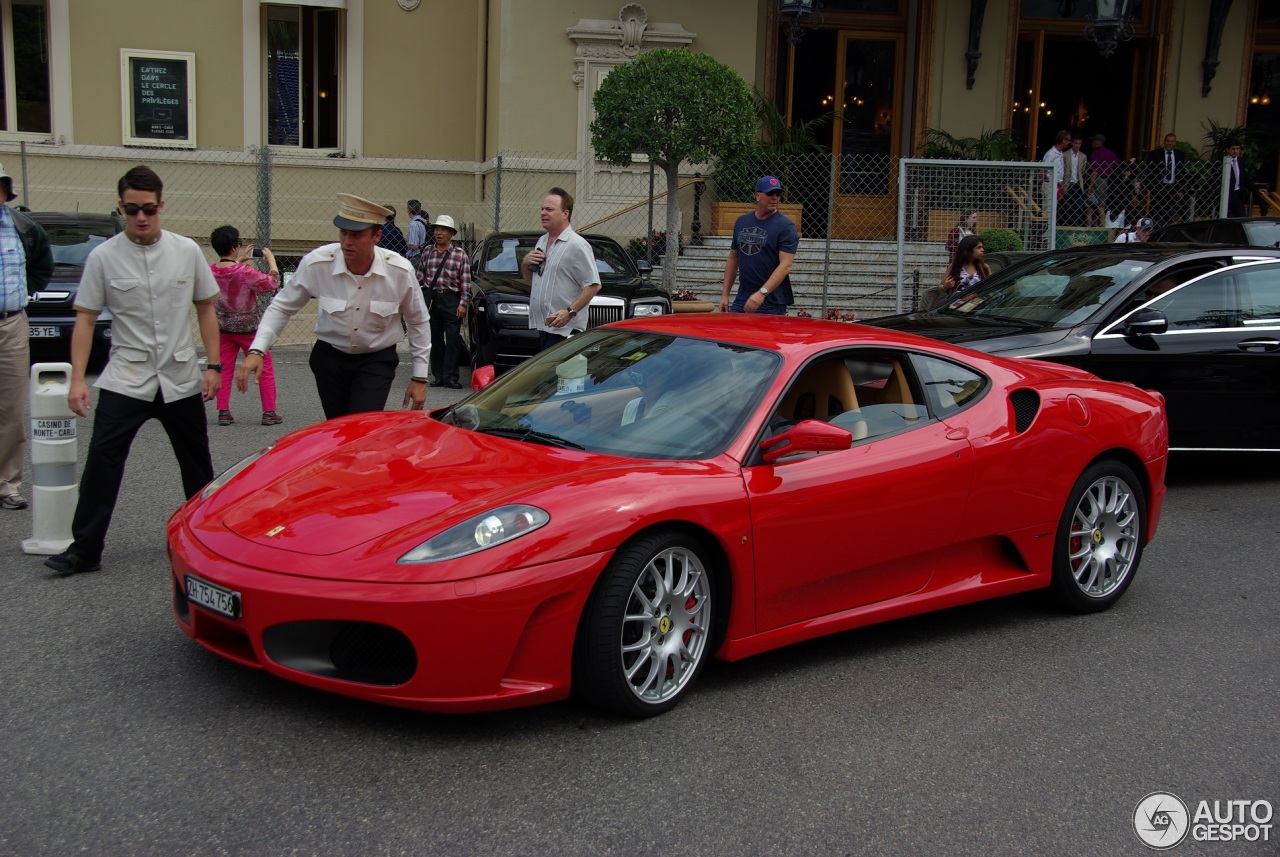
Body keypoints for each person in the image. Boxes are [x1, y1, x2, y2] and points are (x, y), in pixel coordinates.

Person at [44, 165, 221, 576]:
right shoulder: (103, 257)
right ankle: (84, 549)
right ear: (121, 208)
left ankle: (208, 546)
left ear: (161, 206)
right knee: (103, 461)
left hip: (178, 378)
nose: (141, 217)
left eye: (149, 208)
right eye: (131, 209)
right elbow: (85, 319)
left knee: (197, 464)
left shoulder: (186, 250)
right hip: (127, 376)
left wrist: (213, 366)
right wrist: (76, 380)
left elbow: (205, 309)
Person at [236, 194, 431, 419]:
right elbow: (282, 307)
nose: (347, 241)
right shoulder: (318, 263)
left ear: (377, 236)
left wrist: (419, 378)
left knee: (360, 428)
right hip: (330, 359)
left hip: (375, 360)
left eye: (357, 235)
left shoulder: (399, 271)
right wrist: (257, 350)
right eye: (343, 232)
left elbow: (418, 321)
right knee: (336, 429)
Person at [0, 162, 54, 512]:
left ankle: (6, 484)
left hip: (10, 325)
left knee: (10, 408)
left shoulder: (24, 228)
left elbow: (41, 265)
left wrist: (26, 292)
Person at [208, 225, 282, 427]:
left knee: (223, 368)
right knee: (264, 367)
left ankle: (223, 411)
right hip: (248, 330)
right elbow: (271, 283)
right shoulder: (246, 272)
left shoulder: (210, 271)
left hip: (222, 329)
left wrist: (238, 261)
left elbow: (227, 277)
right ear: (235, 246)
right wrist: (272, 261)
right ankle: (269, 412)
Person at [521, 187, 601, 351]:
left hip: (565, 330)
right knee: (547, 375)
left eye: (549, 209)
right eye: (542, 209)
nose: (543, 213)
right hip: (544, 325)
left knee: (563, 376)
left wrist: (569, 312)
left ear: (565, 213)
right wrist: (525, 263)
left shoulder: (577, 245)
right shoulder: (542, 241)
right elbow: (529, 278)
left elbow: (593, 285)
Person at [718, 175, 798, 315]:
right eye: (770, 193)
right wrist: (725, 295)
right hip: (743, 297)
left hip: (771, 302)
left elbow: (785, 265)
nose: (775, 197)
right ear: (757, 195)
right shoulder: (742, 222)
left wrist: (762, 293)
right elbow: (733, 258)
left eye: (778, 194)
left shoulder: (785, 227)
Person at [419, 214, 471, 389]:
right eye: (436, 229)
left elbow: (465, 281)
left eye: (443, 230)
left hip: (452, 299)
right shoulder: (427, 252)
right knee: (435, 339)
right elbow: (421, 276)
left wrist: (463, 303)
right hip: (433, 298)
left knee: (453, 339)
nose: (438, 233)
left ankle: (451, 377)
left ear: (451, 233)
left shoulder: (459, 254)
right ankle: (439, 375)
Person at [1147, 133, 1185, 227]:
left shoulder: (1180, 155)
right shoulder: (1155, 154)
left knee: (1169, 212)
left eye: (1172, 142)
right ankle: (1151, 230)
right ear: (1164, 142)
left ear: (1175, 143)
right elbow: (1149, 171)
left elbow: (1181, 172)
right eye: (1168, 141)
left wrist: (1181, 189)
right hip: (1158, 187)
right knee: (1155, 211)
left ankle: (1167, 230)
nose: (1169, 143)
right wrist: (1150, 186)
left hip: (1172, 187)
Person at [1088, 133, 1122, 226]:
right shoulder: (1111, 153)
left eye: (1093, 141)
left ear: (1097, 142)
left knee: (1091, 208)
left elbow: (1095, 171)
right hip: (1106, 181)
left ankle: (1088, 229)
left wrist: (1090, 186)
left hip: (1097, 181)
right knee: (1101, 206)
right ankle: (1102, 230)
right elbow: (1119, 165)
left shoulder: (1096, 153)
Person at [1061, 134, 1089, 226]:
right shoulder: (1065, 155)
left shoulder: (1083, 156)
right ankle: (1066, 226)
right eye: (1076, 143)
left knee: (1080, 207)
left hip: (1078, 184)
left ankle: (1078, 226)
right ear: (1072, 143)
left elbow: (1083, 170)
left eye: (1079, 143)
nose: (1077, 145)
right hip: (1068, 183)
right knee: (1067, 206)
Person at [1041, 130, 1070, 217]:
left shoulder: (1060, 153)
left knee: (1053, 210)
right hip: (1049, 185)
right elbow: (1042, 170)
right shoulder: (1051, 154)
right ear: (1063, 140)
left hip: (1057, 185)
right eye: (1068, 140)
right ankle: (1045, 230)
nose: (1069, 142)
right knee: (1048, 210)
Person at [1225, 141, 1257, 218]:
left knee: (1241, 216)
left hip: (1237, 193)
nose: (1235, 151)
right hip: (1226, 193)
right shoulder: (1222, 162)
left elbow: (1244, 178)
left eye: (1237, 149)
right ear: (1228, 150)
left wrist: (1256, 189)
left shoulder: (1240, 161)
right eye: (1233, 149)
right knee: (1223, 216)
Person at [405, 199, 429, 275]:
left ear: (409, 210)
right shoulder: (422, 221)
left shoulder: (414, 224)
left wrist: (405, 243)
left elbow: (414, 245)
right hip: (422, 255)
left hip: (415, 256)